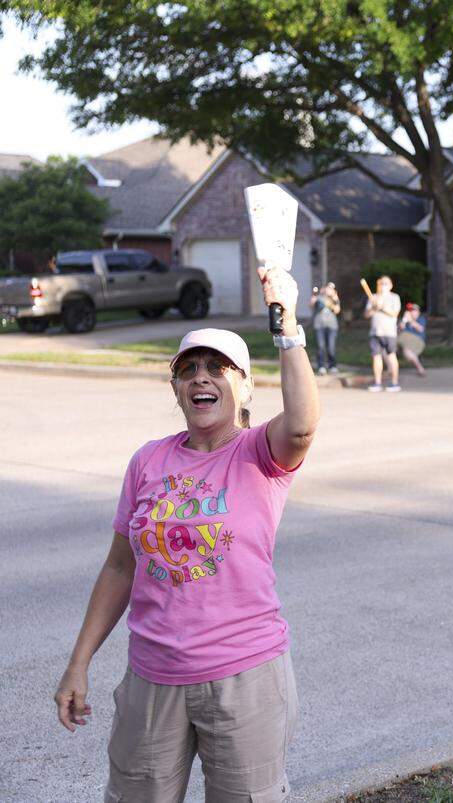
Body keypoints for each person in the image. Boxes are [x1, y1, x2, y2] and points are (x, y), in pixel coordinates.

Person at [54, 263, 319, 802]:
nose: (202, 376)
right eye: (188, 368)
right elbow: (120, 567)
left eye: (218, 368)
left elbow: (302, 424)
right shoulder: (148, 461)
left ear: (244, 388)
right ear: (175, 387)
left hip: (244, 676)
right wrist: (78, 663)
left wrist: (287, 325)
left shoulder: (259, 453)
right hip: (152, 676)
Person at [364, 275, 401, 392]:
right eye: (381, 283)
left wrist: (382, 307)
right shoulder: (373, 297)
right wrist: (374, 308)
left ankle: (394, 383)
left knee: (391, 356)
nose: (383, 286)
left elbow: (395, 314)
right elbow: (366, 315)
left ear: (390, 285)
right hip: (375, 332)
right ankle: (377, 383)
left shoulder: (394, 297)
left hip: (389, 333)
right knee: (376, 357)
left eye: (386, 283)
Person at [310, 281, 341, 375]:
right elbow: (311, 306)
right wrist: (313, 300)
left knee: (331, 347)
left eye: (331, 289)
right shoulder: (318, 298)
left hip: (332, 326)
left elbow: (337, 310)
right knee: (320, 346)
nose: (328, 290)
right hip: (319, 325)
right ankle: (321, 366)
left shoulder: (334, 299)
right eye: (327, 288)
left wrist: (334, 300)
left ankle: (332, 366)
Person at [397, 302, 428, 377]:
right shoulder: (405, 320)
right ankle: (390, 369)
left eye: (414, 310)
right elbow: (398, 331)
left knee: (407, 352)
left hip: (416, 340)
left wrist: (410, 320)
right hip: (401, 339)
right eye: (410, 310)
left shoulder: (421, 319)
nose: (411, 312)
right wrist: (403, 321)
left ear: (418, 312)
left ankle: (420, 369)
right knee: (385, 348)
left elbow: (420, 329)